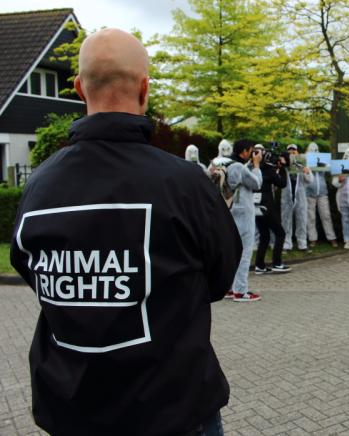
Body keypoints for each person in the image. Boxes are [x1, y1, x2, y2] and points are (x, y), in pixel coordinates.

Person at [10, 28, 242, 436]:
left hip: (70, 411)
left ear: (80, 89)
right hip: (172, 411)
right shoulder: (184, 184)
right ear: (144, 88)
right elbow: (220, 276)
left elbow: (33, 273)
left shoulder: (39, 185)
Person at [226, 140, 264, 301]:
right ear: (244, 151)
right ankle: (240, 291)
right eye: (251, 150)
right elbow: (256, 183)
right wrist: (256, 165)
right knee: (244, 252)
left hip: (228, 211)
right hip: (243, 213)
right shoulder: (239, 167)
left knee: (230, 252)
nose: (252, 153)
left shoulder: (223, 162)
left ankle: (228, 287)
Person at [254, 145, 291, 273]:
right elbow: (282, 183)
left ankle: (259, 265)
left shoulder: (256, 169)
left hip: (256, 208)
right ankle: (277, 263)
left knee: (264, 236)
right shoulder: (269, 171)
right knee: (280, 233)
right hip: (267, 208)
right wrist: (283, 168)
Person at [305, 142, 338, 248]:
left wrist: (322, 164)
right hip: (309, 192)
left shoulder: (323, 160)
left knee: (326, 215)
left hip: (322, 192)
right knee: (311, 217)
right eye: (312, 149)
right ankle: (312, 239)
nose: (314, 151)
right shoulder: (306, 161)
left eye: (315, 149)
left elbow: (329, 168)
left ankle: (331, 237)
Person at [281, 144, 313, 253]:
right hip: (286, 197)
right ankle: (286, 244)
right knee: (286, 221)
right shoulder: (283, 167)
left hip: (300, 197)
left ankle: (302, 244)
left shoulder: (303, 164)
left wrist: (306, 171)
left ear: (297, 153)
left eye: (294, 151)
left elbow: (310, 181)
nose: (292, 153)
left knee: (302, 220)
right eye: (289, 152)